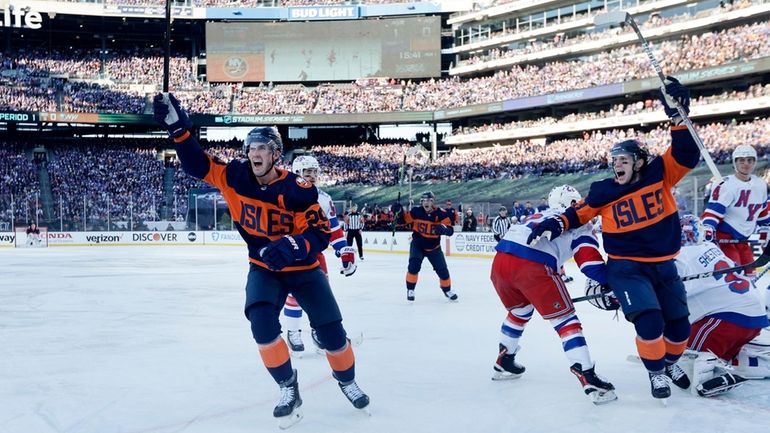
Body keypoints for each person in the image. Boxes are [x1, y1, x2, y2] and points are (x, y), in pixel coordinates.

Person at [153, 94, 369, 428]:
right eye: (251, 146)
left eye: (263, 146)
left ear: (275, 154)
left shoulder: (299, 189)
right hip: (264, 268)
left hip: (304, 269)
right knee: (262, 325)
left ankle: (347, 380)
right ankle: (288, 386)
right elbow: (198, 165)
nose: (255, 151)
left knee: (331, 333)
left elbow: (319, 234)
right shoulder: (234, 176)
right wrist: (179, 132)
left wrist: (293, 245)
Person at [527, 77, 700, 401]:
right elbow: (579, 213)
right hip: (627, 268)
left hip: (664, 266)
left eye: (623, 159)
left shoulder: (659, 172)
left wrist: (678, 116)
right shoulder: (604, 190)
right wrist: (555, 223)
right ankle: (656, 372)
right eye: (614, 161)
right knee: (649, 322)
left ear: (639, 162)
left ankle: (671, 362)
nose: (616, 164)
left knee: (679, 327)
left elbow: (687, 153)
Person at [490, 185, 617, 405]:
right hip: (533, 265)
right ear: (575, 203)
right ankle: (588, 376)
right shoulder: (580, 221)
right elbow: (590, 265)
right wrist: (615, 282)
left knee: (520, 311)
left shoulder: (538, 213)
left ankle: (505, 358)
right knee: (566, 321)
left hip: (501, 261)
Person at [674, 214, 770, 396]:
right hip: (753, 317)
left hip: (726, 321)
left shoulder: (681, 257)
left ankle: (708, 372)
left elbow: (672, 297)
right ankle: (757, 359)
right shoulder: (711, 247)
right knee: (723, 347)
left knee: (679, 352)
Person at [283, 155, 357, 354]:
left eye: (314, 171)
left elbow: (333, 228)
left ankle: (319, 332)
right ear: (297, 173)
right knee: (293, 295)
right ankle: (293, 330)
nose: (312, 176)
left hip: (314, 253)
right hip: (290, 252)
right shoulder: (283, 194)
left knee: (320, 295)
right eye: (307, 172)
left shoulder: (323, 198)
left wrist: (344, 251)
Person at [701, 144, 770, 276]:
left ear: (755, 162)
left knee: (750, 275)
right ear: (735, 162)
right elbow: (713, 212)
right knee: (734, 275)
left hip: (743, 240)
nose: (746, 164)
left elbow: (762, 213)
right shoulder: (726, 185)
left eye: (750, 160)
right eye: (741, 160)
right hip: (725, 239)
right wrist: (708, 228)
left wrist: (765, 234)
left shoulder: (760, 184)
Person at [392, 191, 457, 302]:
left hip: (434, 247)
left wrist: (444, 230)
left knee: (443, 271)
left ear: (433, 202)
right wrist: (398, 212)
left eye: (429, 200)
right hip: (418, 244)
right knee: (414, 266)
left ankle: (447, 290)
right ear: (421, 202)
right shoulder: (416, 211)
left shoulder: (441, 213)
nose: (426, 203)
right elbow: (400, 222)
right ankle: (410, 290)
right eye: (424, 200)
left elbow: (450, 231)